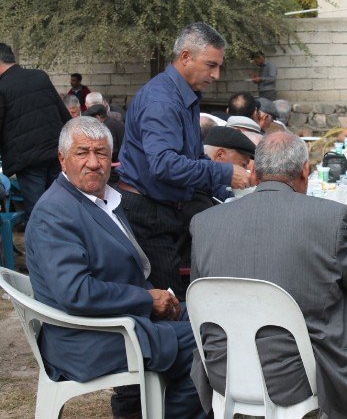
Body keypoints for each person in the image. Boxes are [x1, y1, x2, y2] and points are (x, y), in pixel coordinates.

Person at [190, 132, 347, 419]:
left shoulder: (205, 223)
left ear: (254, 173)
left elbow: (200, 297)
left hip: (224, 371)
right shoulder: (331, 219)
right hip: (299, 378)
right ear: (306, 171)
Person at [25, 117, 206, 419]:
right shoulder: (55, 212)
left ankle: (137, 408)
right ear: (62, 159)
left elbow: (117, 272)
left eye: (102, 153)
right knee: (209, 344)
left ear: (113, 159)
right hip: (86, 339)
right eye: (82, 153)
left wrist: (154, 299)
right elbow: (77, 293)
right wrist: (147, 300)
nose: (94, 163)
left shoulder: (102, 201)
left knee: (213, 318)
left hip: (118, 321)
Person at [116, 22, 251, 301]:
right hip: (149, 213)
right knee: (170, 300)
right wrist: (223, 173)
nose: (215, 74)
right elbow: (165, 164)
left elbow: (191, 156)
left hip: (169, 205)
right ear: (186, 57)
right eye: (210, 65)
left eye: (218, 66)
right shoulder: (162, 101)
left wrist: (223, 188)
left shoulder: (183, 95)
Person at [0, 42, 71, 220]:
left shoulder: (2, 87)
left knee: (40, 212)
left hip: (28, 160)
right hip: (56, 153)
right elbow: (63, 114)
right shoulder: (40, 76)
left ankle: (44, 246)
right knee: (60, 206)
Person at [82, 104, 125, 184]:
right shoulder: (114, 122)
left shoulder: (106, 127)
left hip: (116, 170)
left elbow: (112, 151)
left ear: (98, 118)